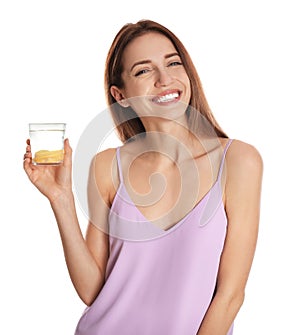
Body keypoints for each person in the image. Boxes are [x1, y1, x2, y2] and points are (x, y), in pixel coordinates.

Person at [23, 19, 263, 335]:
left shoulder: (238, 161)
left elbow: (230, 296)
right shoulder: (107, 166)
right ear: (120, 95)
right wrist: (61, 199)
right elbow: (94, 290)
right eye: (143, 71)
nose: (165, 79)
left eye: (173, 63)